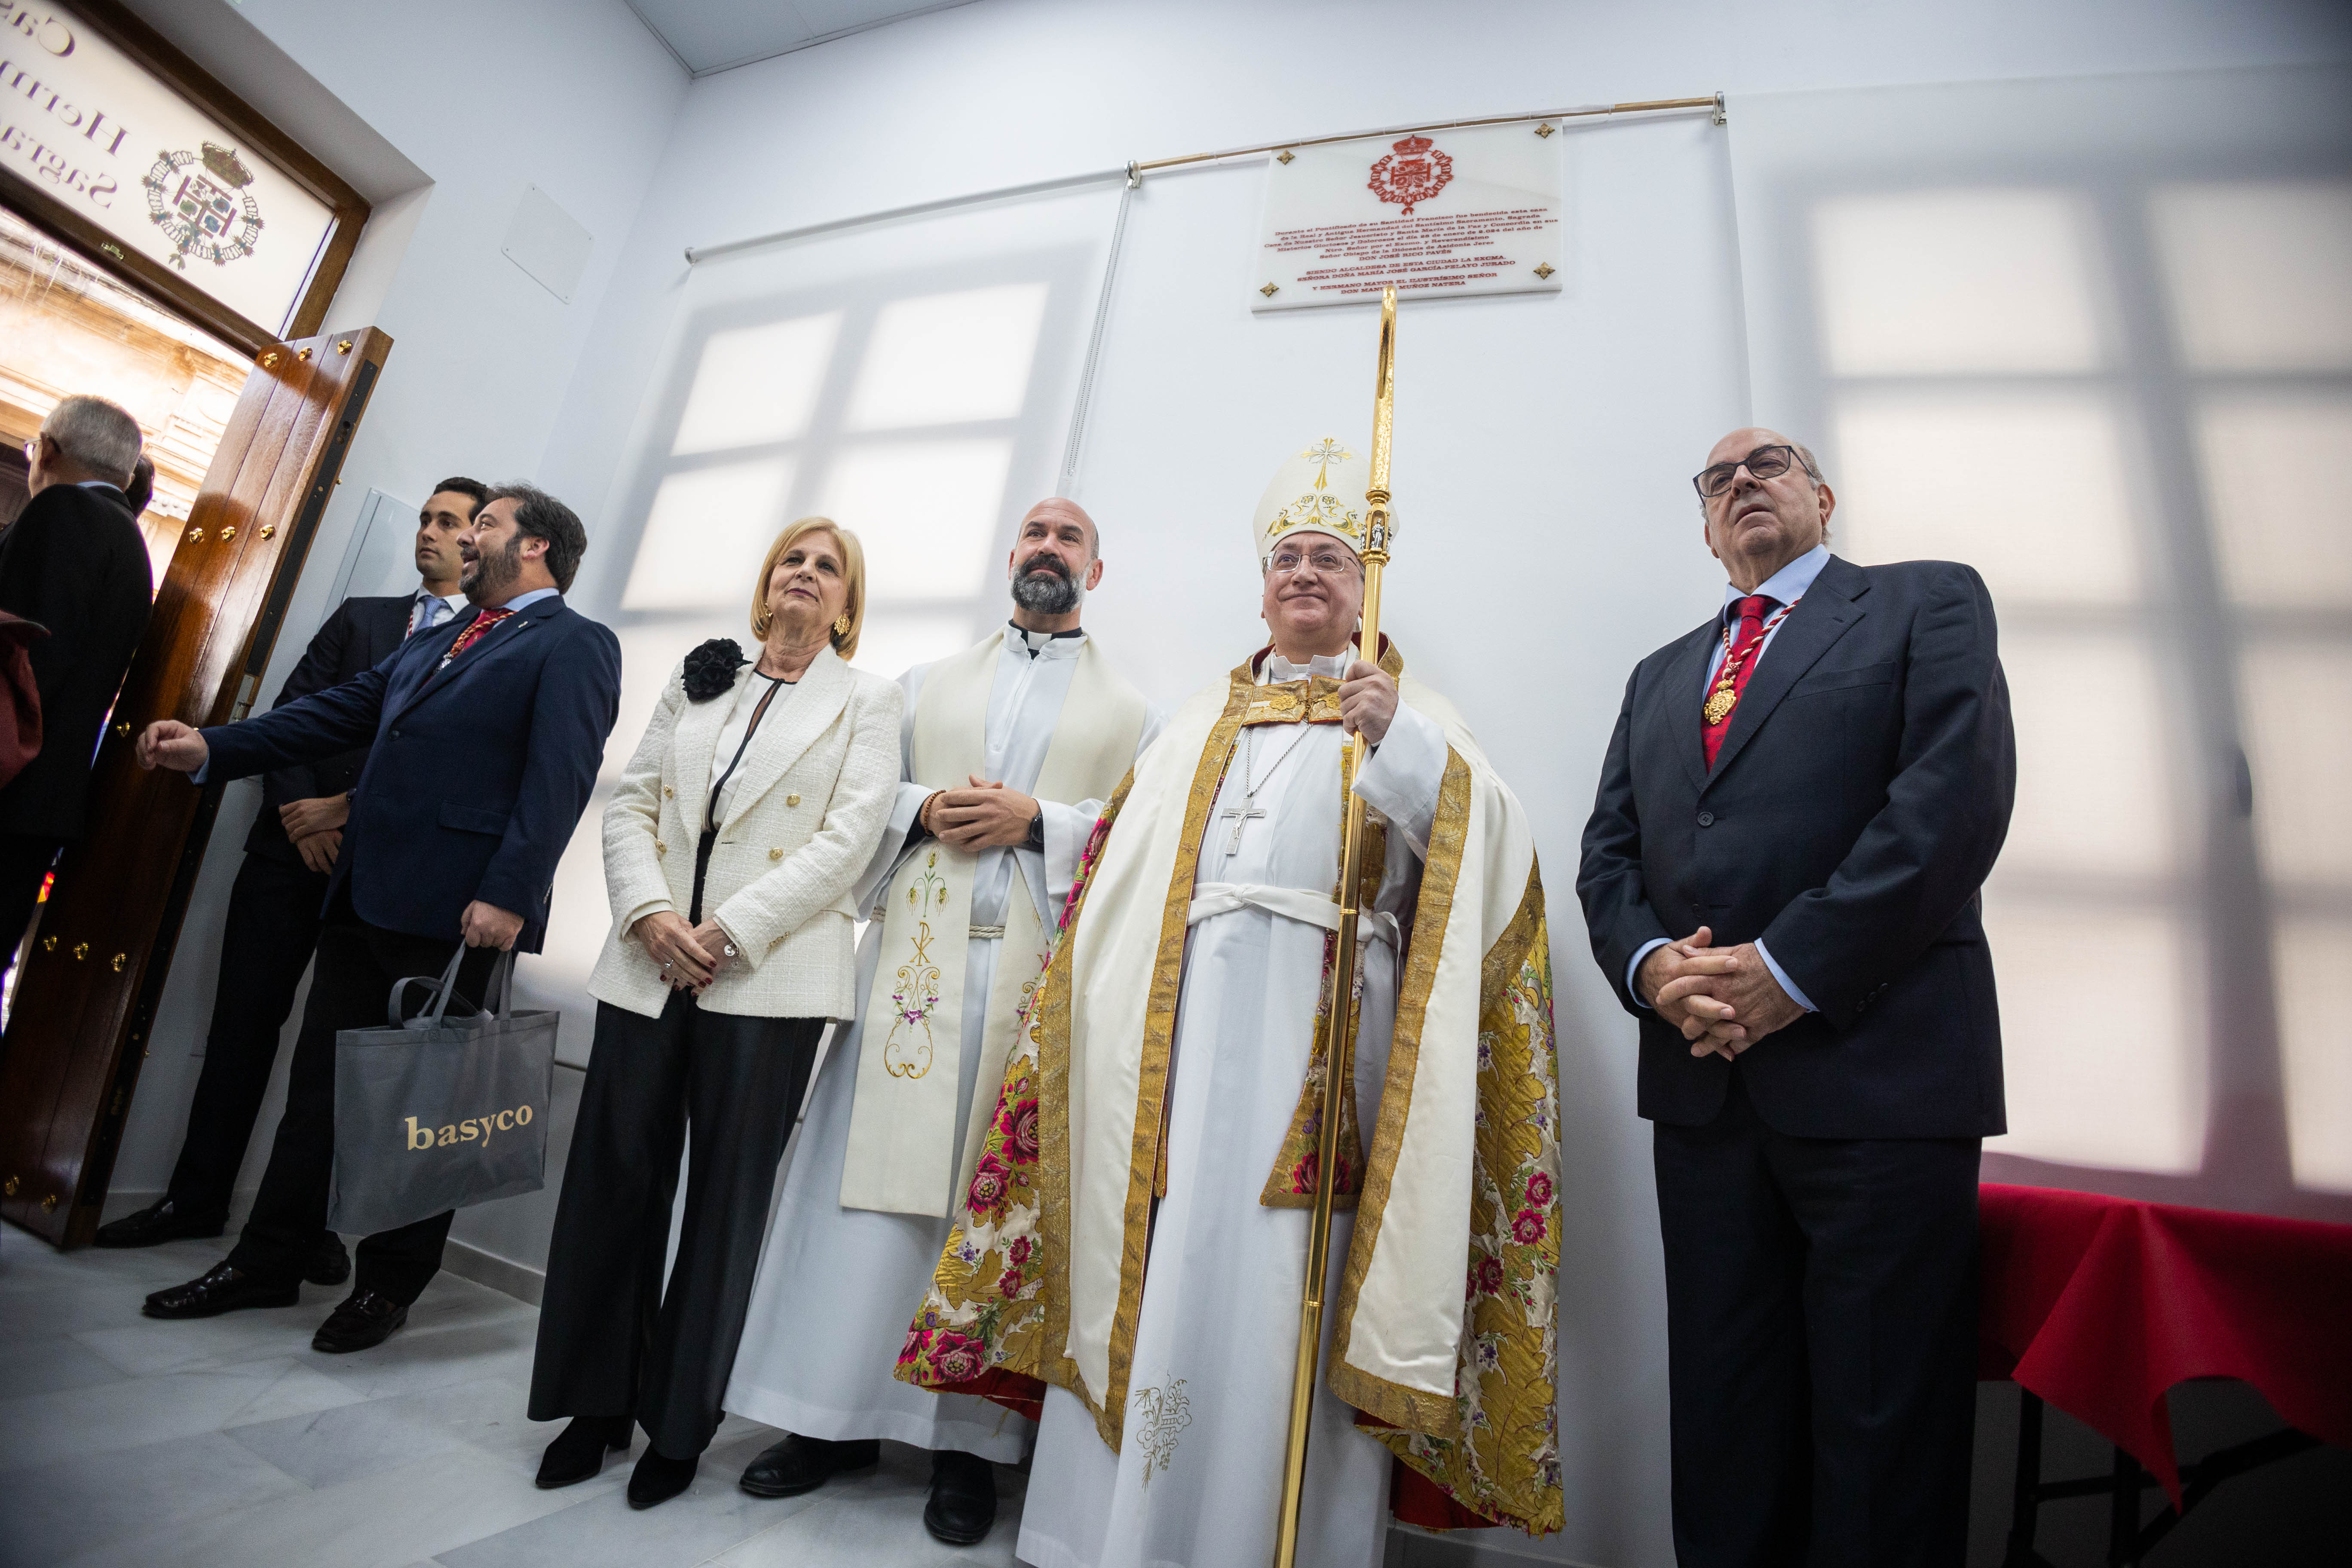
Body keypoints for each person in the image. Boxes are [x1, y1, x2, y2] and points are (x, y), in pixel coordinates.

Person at [899, 441, 1564, 1567]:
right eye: (1287, 557)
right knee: (1161, 1260)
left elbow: (1488, 862)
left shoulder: (1412, 714)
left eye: (1332, 559)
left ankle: (1267, 1533)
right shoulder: (1195, 719)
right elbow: (1113, 868)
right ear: (1262, 585)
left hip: (1326, 1047)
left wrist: (1394, 738)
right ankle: (1107, 1531)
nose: (1305, 573)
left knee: (1283, 1280)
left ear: (1366, 588)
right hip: (1179, 1045)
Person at [1575, 429, 2015, 1567]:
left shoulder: (1926, 603)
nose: (1740, 484)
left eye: (1766, 463)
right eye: (1717, 480)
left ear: (1821, 494)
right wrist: (1656, 972)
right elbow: (1608, 860)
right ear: (1707, 528)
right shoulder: (1661, 673)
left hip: (1882, 1077)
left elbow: (1948, 806)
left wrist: (1792, 972)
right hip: (1705, 1090)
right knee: (1724, 1416)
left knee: (1882, 1426)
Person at [726, 497, 1156, 1546]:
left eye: (1070, 540)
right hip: (911, 974)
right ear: (1011, 557)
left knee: (985, 1214)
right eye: (1035, 535)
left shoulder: (1136, 716)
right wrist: (920, 808)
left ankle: (966, 1450)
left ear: (1095, 574)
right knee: (861, 1205)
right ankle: (827, 1421)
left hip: (1029, 983)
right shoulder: (922, 687)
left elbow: (1146, 836)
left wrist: (1039, 821)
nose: (1048, 551)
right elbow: (853, 793)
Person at [132, 484, 620, 1354]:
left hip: (459, 916)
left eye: (487, 525)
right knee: (316, 1096)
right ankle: (266, 1262)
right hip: (364, 896)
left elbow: (561, 778)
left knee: (427, 1116)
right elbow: (337, 712)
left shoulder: (576, 644)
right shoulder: (441, 637)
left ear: (537, 547)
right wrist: (215, 747)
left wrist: (510, 894)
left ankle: (389, 1285)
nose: (469, 539)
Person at [527, 516, 901, 1510]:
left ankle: (679, 1422)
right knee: (615, 1179)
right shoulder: (706, 678)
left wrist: (726, 932)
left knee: (727, 1204)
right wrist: (651, 914)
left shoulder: (868, 703)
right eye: (793, 559)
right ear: (766, 582)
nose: (806, 576)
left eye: (829, 569)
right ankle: (595, 1404)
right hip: (649, 964)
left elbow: (850, 838)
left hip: (765, 977)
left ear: (847, 605)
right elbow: (634, 803)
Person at [96, 479, 487, 1257]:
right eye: (425, 518)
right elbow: (294, 715)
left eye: (449, 522)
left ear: (481, 540)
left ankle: (306, 1227)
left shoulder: (490, 640)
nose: (429, 533)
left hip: (382, 874)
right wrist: (297, 814)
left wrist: (344, 808)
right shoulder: (363, 619)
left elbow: (452, 758)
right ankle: (194, 1199)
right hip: (287, 853)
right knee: (241, 1027)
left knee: (345, 1058)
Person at [0, 396, 152, 984]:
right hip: (38, 806)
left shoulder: (62, 510)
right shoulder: (130, 543)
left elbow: (21, 664)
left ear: (50, 450)